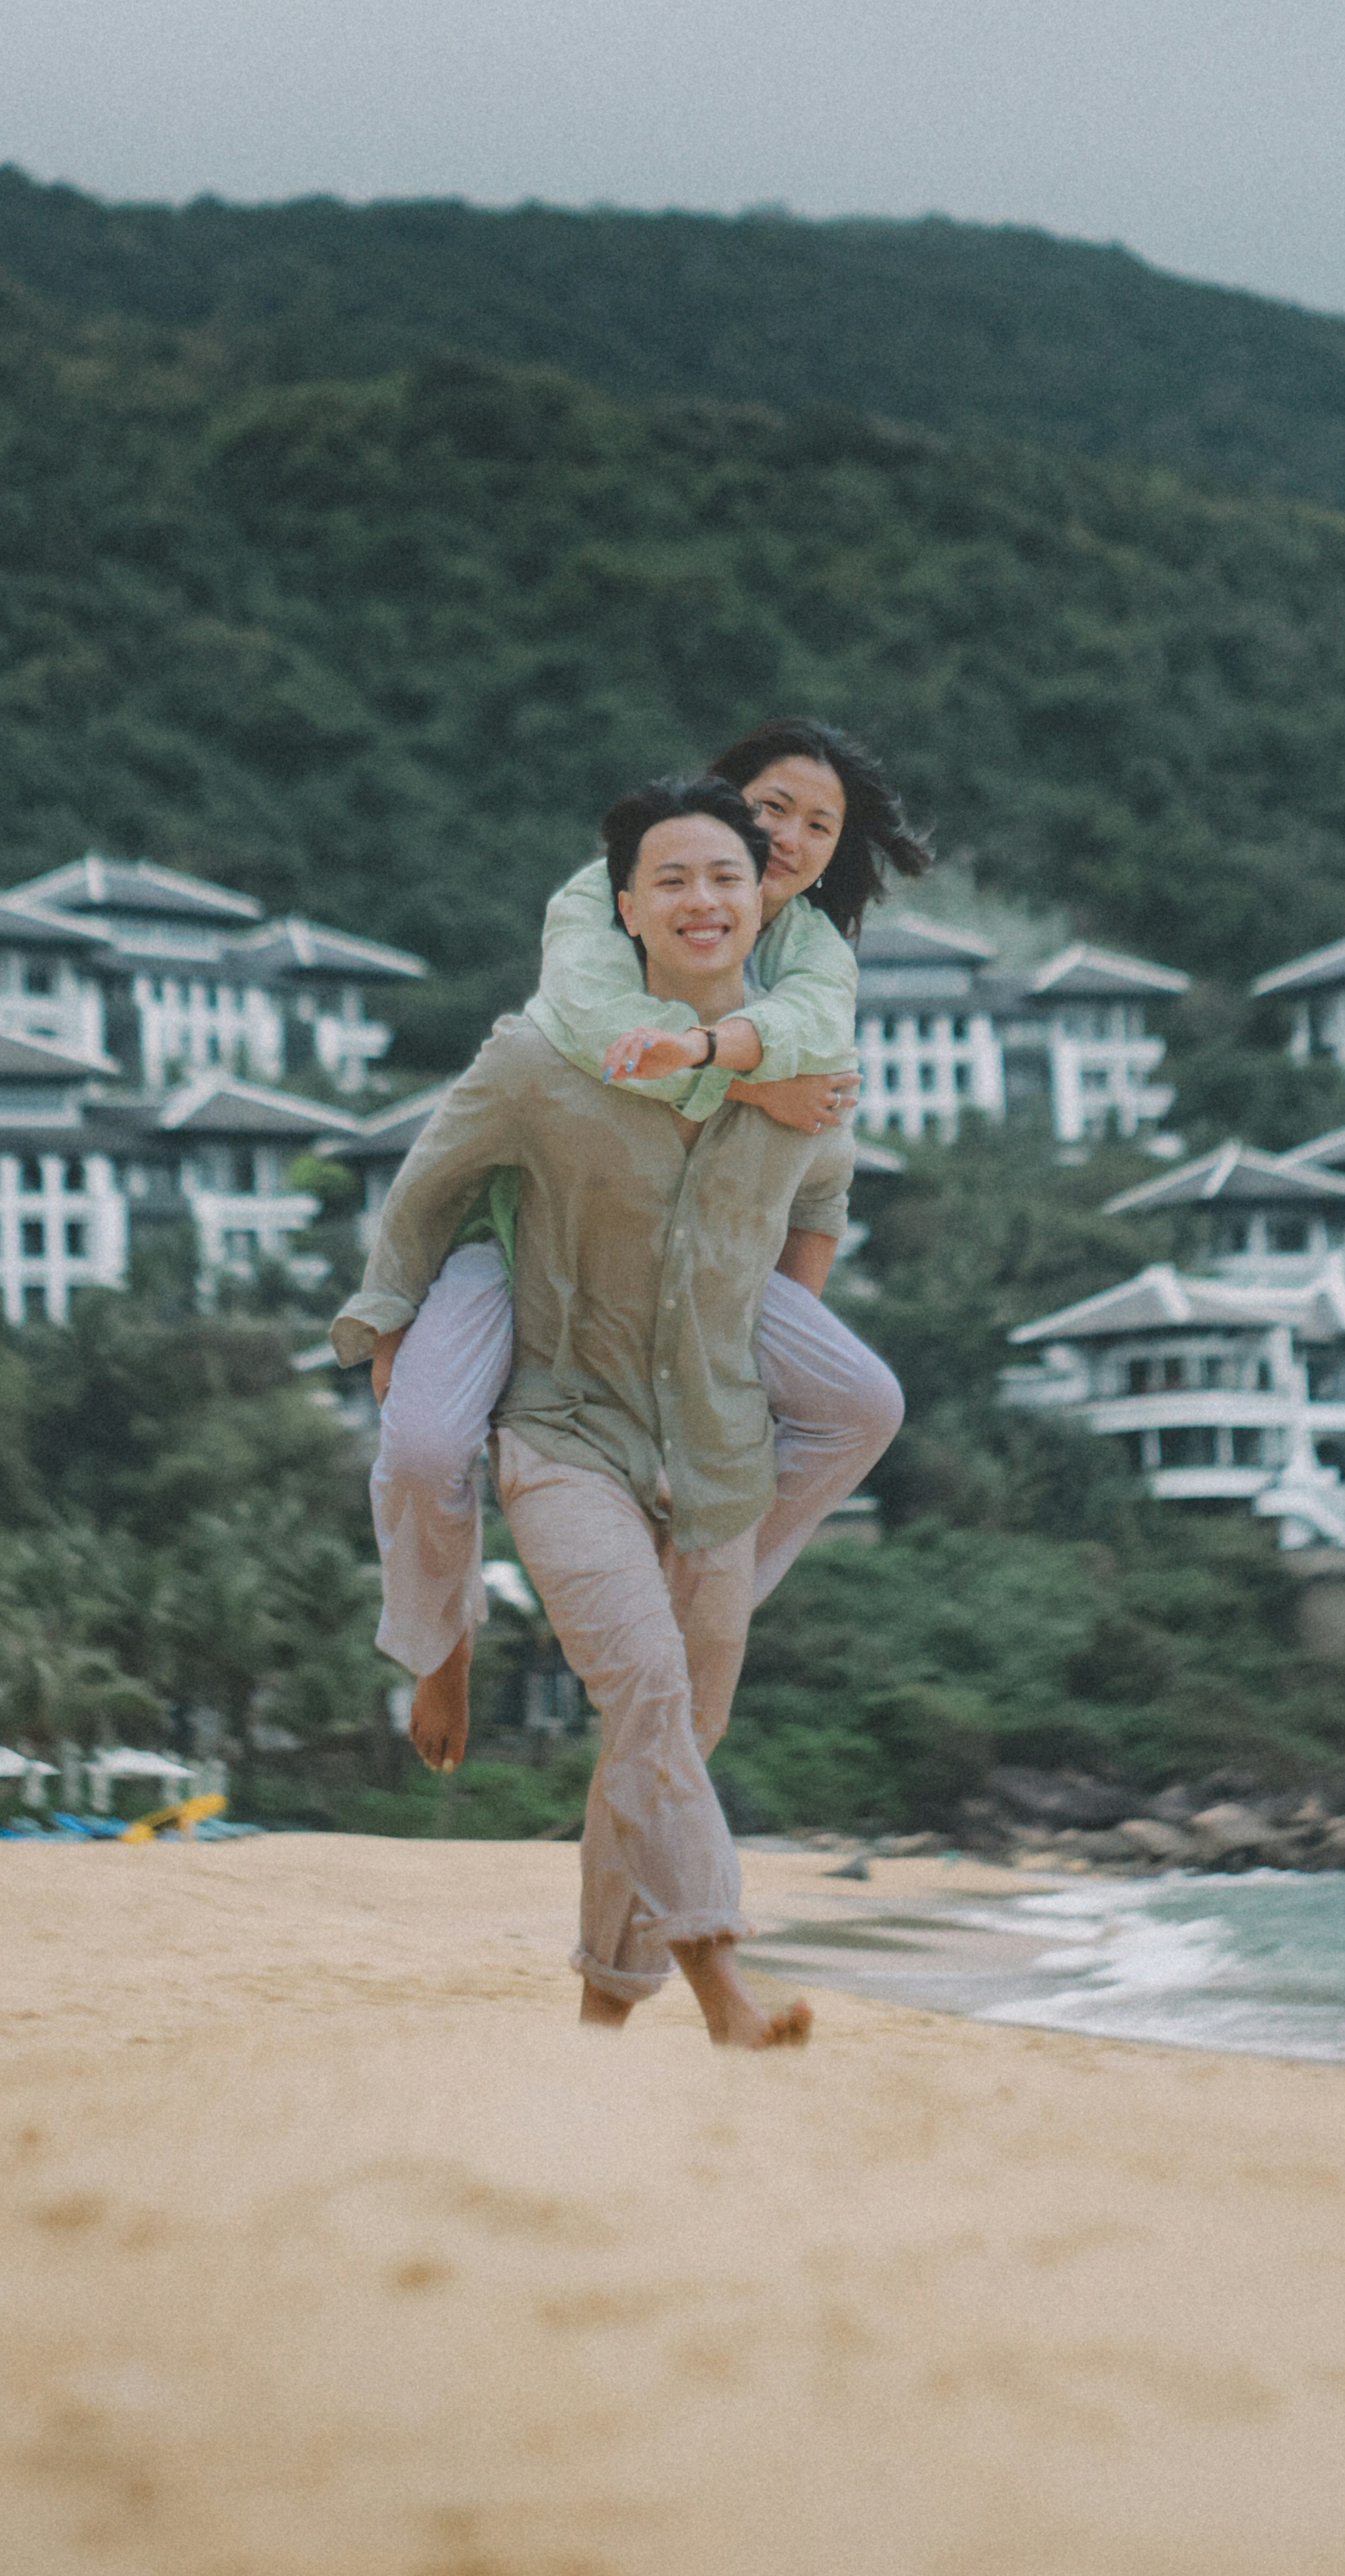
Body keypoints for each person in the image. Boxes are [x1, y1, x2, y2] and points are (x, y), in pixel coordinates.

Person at [333, 777, 855, 2044]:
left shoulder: (807, 1070)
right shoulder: (540, 1057)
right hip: (563, 1433)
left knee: (671, 1731)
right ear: (624, 908)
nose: (701, 900)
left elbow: (819, 1199)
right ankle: (723, 1991)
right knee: (650, 1698)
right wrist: (387, 1321)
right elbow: (428, 1182)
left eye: (725, 877)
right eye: (670, 880)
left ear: (762, 902)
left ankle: (601, 2009)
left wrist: (764, 1326)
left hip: (714, 1453)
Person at [368, 717, 925, 1771]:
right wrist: (750, 1077)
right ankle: (441, 1638)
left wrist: (751, 1337)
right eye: (771, 808)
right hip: (534, 1223)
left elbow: (821, 1147)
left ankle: (698, 1582)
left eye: (820, 825)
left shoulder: (811, 949)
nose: (791, 837)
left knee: (864, 1404)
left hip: (697, 1256)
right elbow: (595, 1037)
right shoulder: (606, 898)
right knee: (426, 1447)